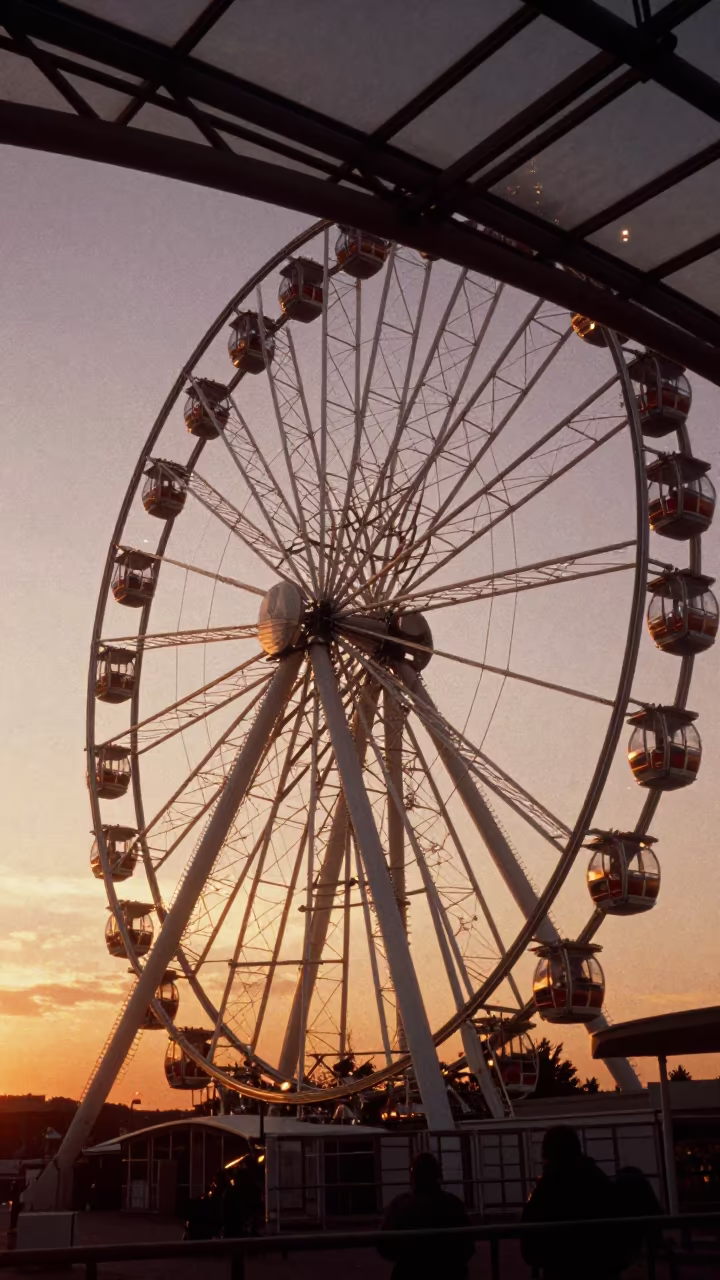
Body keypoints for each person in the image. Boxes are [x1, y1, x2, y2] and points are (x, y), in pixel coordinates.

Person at [521, 1125, 622, 1280]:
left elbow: (530, 1238)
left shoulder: (548, 1186)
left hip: (560, 1270)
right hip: (602, 1270)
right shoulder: (598, 1179)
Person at [378, 1151, 474, 1280]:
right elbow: (468, 1247)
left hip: (409, 1273)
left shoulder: (400, 1205)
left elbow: (384, 1247)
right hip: (450, 1273)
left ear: (413, 1177)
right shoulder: (453, 1204)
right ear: (437, 1175)